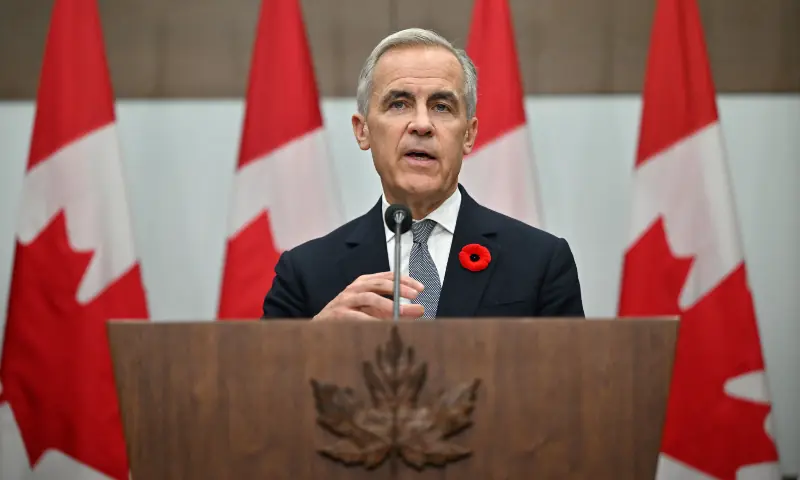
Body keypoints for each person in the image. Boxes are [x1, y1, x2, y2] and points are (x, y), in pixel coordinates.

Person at [261, 28, 584, 321]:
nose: (422, 124)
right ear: (363, 132)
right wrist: (313, 341)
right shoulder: (305, 272)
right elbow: (259, 383)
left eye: (441, 107)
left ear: (468, 135)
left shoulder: (540, 262)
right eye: (399, 104)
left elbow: (574, 381)